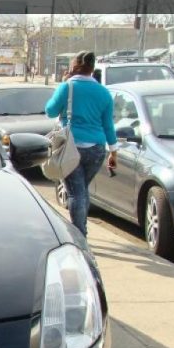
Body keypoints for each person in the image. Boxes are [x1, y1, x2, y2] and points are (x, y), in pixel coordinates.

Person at [45, 51, 118, 237]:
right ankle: (81, 227)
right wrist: (113, 151)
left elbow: (50, 111)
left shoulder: (67, 87)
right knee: (81, 190)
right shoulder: (104, 93)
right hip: (97, 149)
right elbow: (108, 125)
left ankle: (80, 235)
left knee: (76, 193)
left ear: (73, 66)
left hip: (71, 147)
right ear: (93, 68)